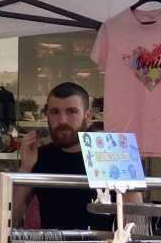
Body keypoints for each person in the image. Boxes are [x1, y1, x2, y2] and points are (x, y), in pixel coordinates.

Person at [12, 81, 110, 231]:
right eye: (55, 112)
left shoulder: (107, 155)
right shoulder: (40, 157)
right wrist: (26, 168)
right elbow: (10, 217)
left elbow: (136, 221)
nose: (62, 120)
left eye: (72, 112)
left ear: (87, 115)